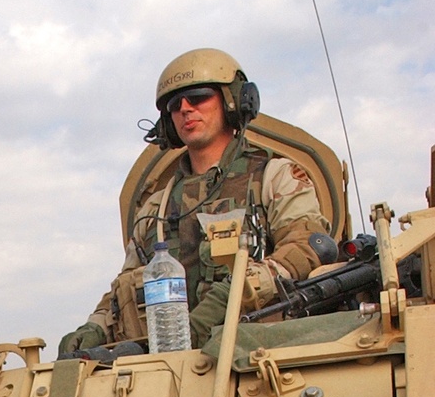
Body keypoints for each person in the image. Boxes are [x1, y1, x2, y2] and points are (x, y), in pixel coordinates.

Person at [60, 48, 331, 353]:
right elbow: (126, 287)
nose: (186, 109)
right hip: (170, 360)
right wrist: (94, 326)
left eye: (199, 97)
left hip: (256, 355)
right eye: (175, 105)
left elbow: (306, 248)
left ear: (232, 102)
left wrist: (237, 291)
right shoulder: (155, 209)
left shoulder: (273, 177)